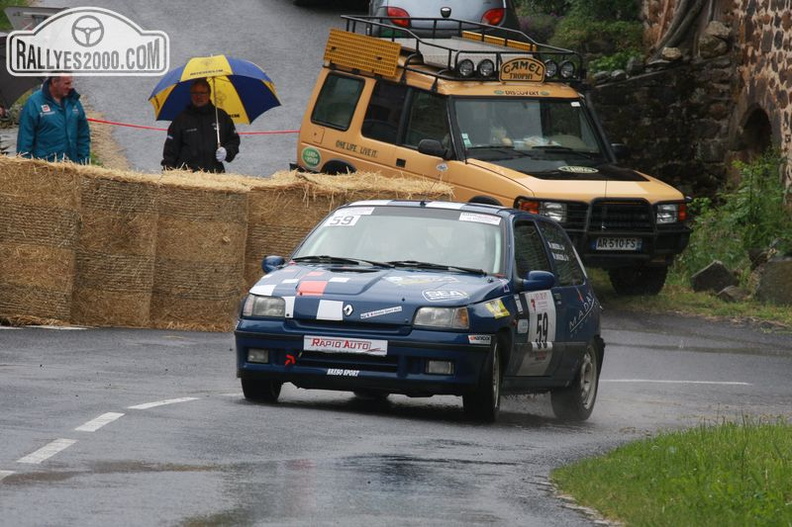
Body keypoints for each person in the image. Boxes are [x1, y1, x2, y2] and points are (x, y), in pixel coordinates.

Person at [161, 78, 240, 173]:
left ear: (209, 94)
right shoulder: (181, 119)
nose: (198, 97)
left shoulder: (221, 117)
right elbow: (170, 150)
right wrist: (167, 171)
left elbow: (233, 141)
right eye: (194, 93)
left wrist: (227, 151)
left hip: (215, 174)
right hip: (187, 176)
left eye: (202, 93)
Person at [16, 74, 91, 163]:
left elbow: (83, 135)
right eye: (67, 83)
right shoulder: (34, 103)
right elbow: (24, 140)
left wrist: (83, 162)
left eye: (71, 83)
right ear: (54, 82)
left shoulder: (73, 101)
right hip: (45, 169)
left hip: (72, 166)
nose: (70, 87)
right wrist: (26, 168)